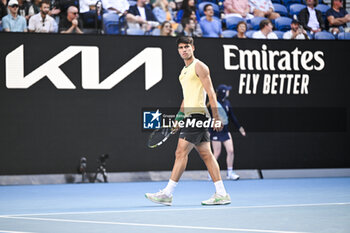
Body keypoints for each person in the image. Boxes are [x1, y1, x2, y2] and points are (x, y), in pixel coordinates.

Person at [145, 36, 231, 206]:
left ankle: (167, 193)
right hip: (190, 115)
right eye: (181, 47)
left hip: (198, 115)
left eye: (187, 46)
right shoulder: (183, 72)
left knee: (180, 152)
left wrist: (216, 117)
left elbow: (211, 93)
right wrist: (178, 118)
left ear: (193, 48)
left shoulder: (200, 66)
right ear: (178, 50)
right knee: (206, 154)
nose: (184, 50)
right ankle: (222, 193)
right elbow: (186, 98)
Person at [209, 84, 246, 180]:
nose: (229, 92)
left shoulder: (227, 103)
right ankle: (211, 173)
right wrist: (209, 131)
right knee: (216, 153)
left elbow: (232, 117)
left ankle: (230, 173)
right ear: (223, 93)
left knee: (231, 151)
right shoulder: (213, 104)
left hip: (225, 131)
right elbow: (208, 119)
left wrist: (240, 128)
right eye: (227, 90)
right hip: (215, 131)